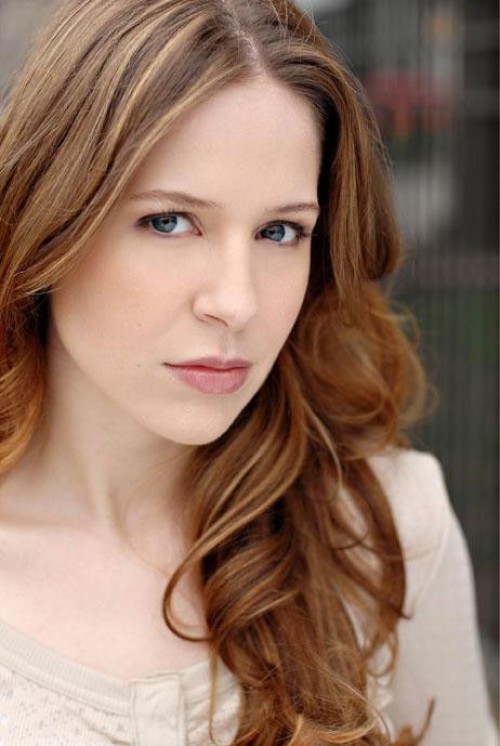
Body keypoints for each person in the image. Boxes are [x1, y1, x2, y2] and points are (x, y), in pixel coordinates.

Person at [0, 0, 496, 744]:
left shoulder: (381, 527)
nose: (237, 302)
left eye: (280, 231)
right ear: (49, 219)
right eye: (169, 221)